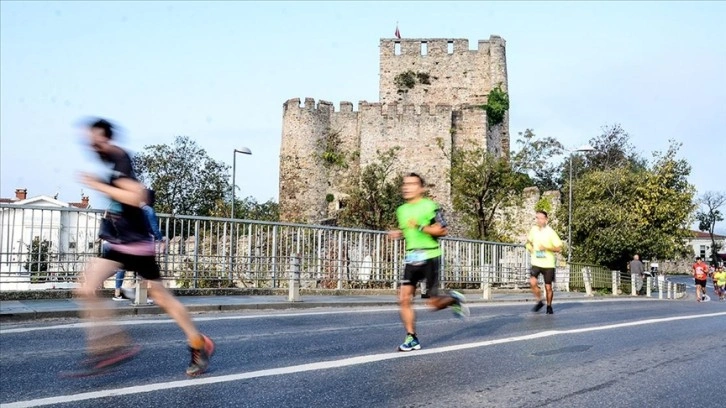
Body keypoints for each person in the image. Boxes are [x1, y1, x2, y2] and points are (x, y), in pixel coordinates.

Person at [74, 118, 214, 376]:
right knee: (85, 288)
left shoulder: (120, 160)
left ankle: (197, 343)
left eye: (93, 139)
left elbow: (136, 196)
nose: (90, 145)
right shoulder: (110, 161)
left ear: (104, 138)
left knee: (161, 297)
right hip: (120, 243)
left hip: (136, 245)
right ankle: (109, 345)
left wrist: (98, 185)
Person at [387, 173, 469, 352]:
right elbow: (407, 229)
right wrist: (398, 233)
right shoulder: (401, 210)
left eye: (412, 184)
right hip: (411, 257)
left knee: (432, 304)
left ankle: (454, 298)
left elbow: (442, 230)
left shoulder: (430, 207)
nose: (406, 187)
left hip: (430, 256)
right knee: (403, 298)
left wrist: (420, 226)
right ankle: (411, 337)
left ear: (422, 188)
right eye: (405, 184)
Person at [113, 189, 165, 304]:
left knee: (122, 266)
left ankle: (117, 292)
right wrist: (160, 239)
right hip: (143, 242)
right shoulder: (148, 210)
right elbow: (154, 228)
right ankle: (142, 295)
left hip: (128, 240)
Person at [525, 210, 563, 315]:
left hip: (548, 264)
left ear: (546, 219)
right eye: (537, 218)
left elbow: (559, 248)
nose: (539, 220)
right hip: (536, 262)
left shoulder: (551, 232)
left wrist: (546, 248)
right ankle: (539, 301)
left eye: (541, 218)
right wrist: (530, 248)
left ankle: (549, 306)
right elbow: (528, 243)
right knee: (532, 282)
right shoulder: (533, 230)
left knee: (548, 287)